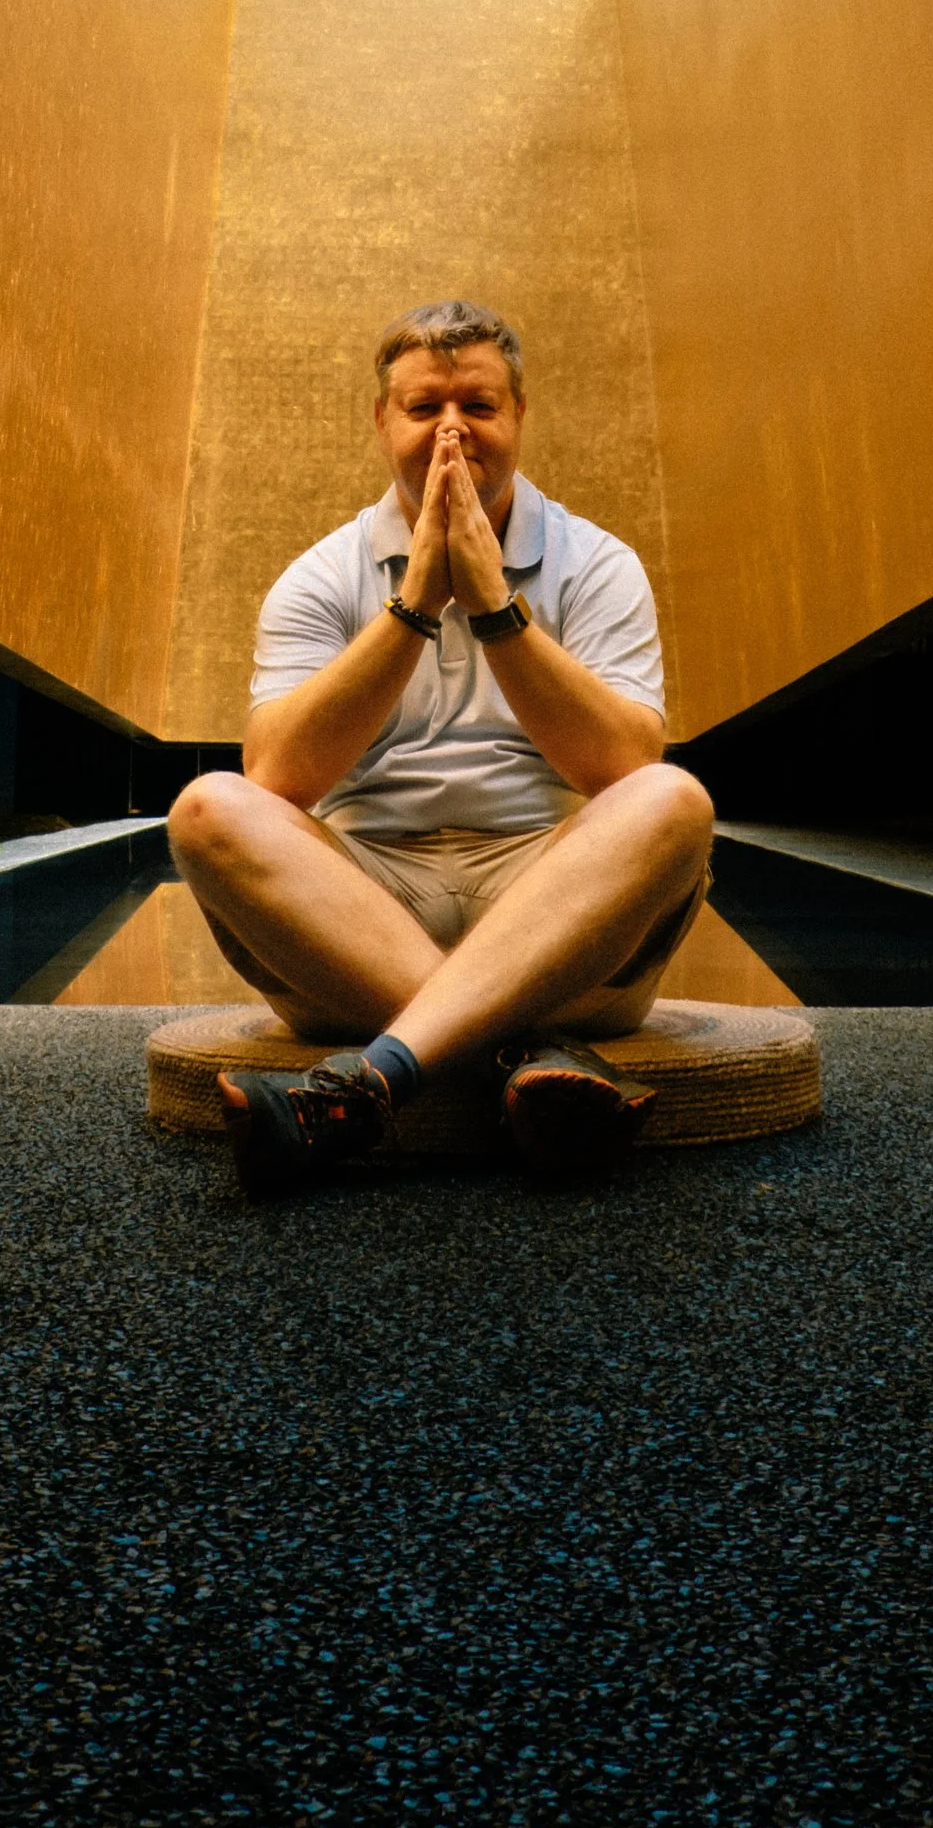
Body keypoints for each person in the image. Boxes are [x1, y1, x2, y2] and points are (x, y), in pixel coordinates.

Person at [167, 299, 714, 1198]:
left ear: (520, 417)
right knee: (209, 806)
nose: (451, 429)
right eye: (424, 408)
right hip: (361, 916)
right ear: (383, 421)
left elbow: (623, 768)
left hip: (555, 914)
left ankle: (371, 1077)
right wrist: (415, 605)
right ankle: (520, 1053)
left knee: (673, 799)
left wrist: (498, 608)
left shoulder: (599, 565)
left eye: (479, 406)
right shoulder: (321, 575)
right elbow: (277, 779)